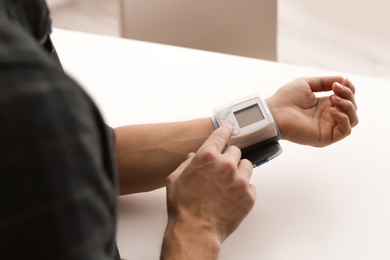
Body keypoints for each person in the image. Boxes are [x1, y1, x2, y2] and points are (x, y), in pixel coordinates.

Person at [0, 1, 358, 259]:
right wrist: (197, 228)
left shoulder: (19, 15)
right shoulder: (27, 104)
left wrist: (268, 119)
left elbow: (87, 154)